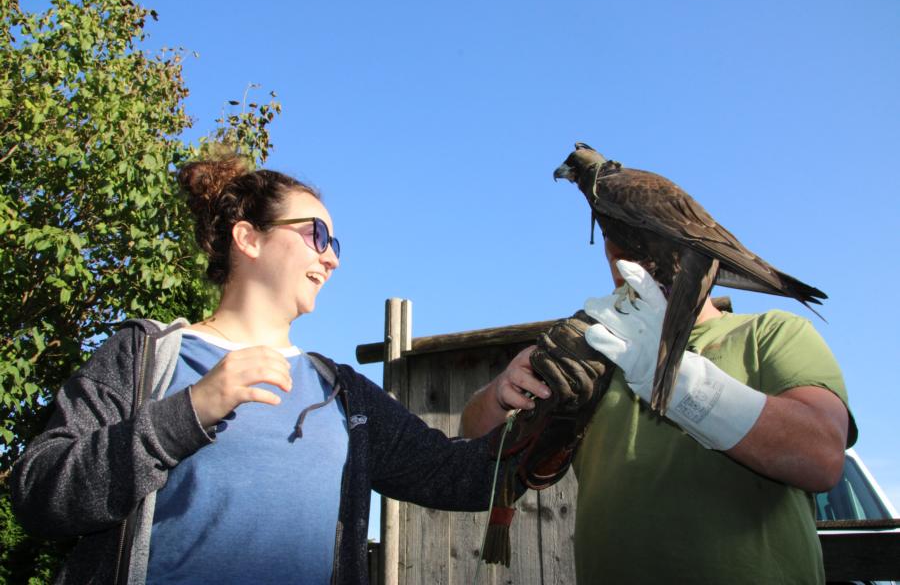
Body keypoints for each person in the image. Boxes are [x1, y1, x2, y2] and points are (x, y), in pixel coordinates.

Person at [12, 151, 526, 585]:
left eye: (336, 245)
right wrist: (188, 413)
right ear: (248, 238)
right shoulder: (148, 357)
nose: (332, 259)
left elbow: (460, 478)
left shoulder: (342, 395)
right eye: (317, 235)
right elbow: (38, 492)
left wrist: (515, 399)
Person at [461, 235, 856, 584]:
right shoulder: (594, 359)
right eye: (620, 257)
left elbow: (820, 457)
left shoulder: (770, 333)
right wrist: (500, 394)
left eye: (652, 256)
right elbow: (476, 447)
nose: (634, 270)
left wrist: (679, 382)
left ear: (703, 259)